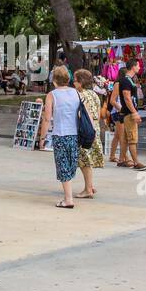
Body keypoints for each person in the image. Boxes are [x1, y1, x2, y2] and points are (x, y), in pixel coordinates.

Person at [37, 66, 82, 208]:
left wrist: (42, 138)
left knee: (63, 166)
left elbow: (46, 118)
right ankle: (68, 196)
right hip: (75, 134)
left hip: (60, 134)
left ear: (54, 80)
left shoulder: (52, 95)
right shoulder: (76, 92)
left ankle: (68, 199)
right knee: (70, 164)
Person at [74, 68, 103, 198]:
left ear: (80, 82)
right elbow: (98, 112)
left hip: (84, 131)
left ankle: (88, 189)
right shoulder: (94, 94)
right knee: (88, 160)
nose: (73, 83)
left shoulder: (79, 95)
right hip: (94, 129)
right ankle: (90, 185)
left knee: (84, 161)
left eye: (74, 80)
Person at [115, 59, 146, 171]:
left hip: (127, 113)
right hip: (129, 113)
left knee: (125, 139)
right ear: (133, 66)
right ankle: (136, 162)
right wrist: (134, 112)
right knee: (132, 139)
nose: (139, 67)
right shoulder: (126, 81)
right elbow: (127, 98)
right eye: (138, 65)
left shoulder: (129, 80)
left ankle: (122, 160)